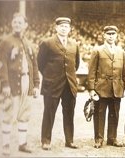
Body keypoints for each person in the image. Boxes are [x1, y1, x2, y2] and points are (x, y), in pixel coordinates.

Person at [0, 12, 40, 156]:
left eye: (20, 22)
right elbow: (0, 64)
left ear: (26, 26)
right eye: (15, 22)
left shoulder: (29, 43)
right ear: (11, 24)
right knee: (8, 113)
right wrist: (5, 84)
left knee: (24, 114)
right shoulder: (6, 41)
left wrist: (36, 85)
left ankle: (22, 144)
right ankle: (6, 145)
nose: (17, 25)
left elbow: (35, 65)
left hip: (27, 82)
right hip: (12, 82)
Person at [37, 17, 80, 150]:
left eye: (66, 26)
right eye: (61, 26)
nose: (63, 28)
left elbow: (76, 64)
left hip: (69, 85)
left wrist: (69, 77)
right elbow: (40, 64)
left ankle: (69, 140)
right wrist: (51, 77)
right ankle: (46, 140)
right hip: (52, 85)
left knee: (69, 114)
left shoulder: (74, 44)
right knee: (49, 113)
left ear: (70, 29)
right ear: (56, 28)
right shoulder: (47, 43)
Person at [87, 25, 125, 148]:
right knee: (99, 114)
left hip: (117, 88)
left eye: (113, 34)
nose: (111, 36)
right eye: (108, 34)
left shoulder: (121, 52)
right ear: (104, 35)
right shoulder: (98, 50)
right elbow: (92, 71)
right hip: (101, 88)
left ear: (116, 36)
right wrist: (91, 89)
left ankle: (112, 138)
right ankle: (99, 139)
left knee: (114, 114)